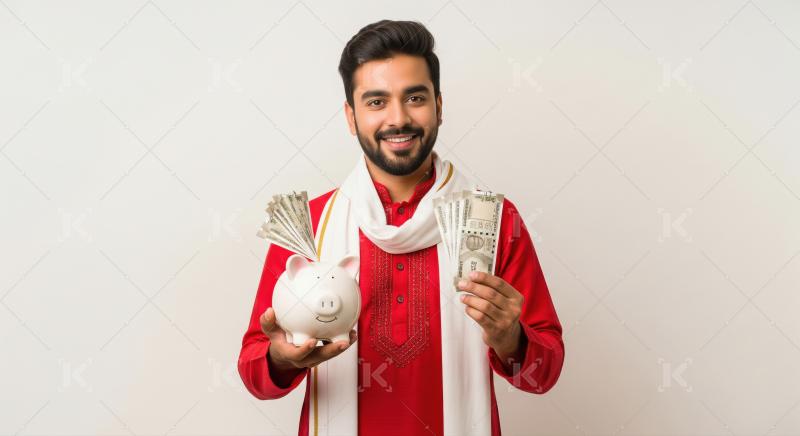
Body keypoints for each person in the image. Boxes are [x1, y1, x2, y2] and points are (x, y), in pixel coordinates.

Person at [238, 19, 565, 436]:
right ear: (351, 117)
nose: (398, 118)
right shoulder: (310, 228)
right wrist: (281, 359)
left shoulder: (493, 220)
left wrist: (511, 340)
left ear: (440, 106)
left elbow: (542, 375)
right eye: (376, 102)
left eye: (415, 97)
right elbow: (255, 375)